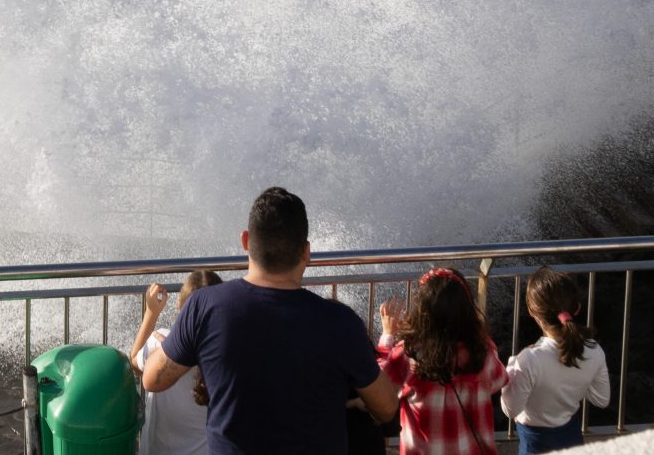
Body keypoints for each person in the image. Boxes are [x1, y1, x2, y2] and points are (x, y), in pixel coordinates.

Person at [144, 187, 398, 455]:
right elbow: (386, 407)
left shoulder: (204, 306)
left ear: (245, 241)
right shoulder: (340, 322)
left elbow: (152, 379)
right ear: (306, 252)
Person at [376, 268, 507, 455]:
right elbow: (497, 381)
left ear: (421, 311)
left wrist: (387, 338)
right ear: (467, 309)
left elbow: (378, 387)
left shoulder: (407, 354)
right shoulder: (483, 350)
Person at [501, 268, 610, 454]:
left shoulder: (529, 359)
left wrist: (512, 365)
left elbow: (510, 410)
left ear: (532, 311)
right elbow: (601, 399)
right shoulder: (594, 350)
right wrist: (576, 382)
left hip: (534, 444)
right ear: (577, 308)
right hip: (572, 438)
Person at [132, 270, 222, 455]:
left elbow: (134, 363)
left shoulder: (160, 345)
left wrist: (151, 313)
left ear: (180, 308)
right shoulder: (227, 354)